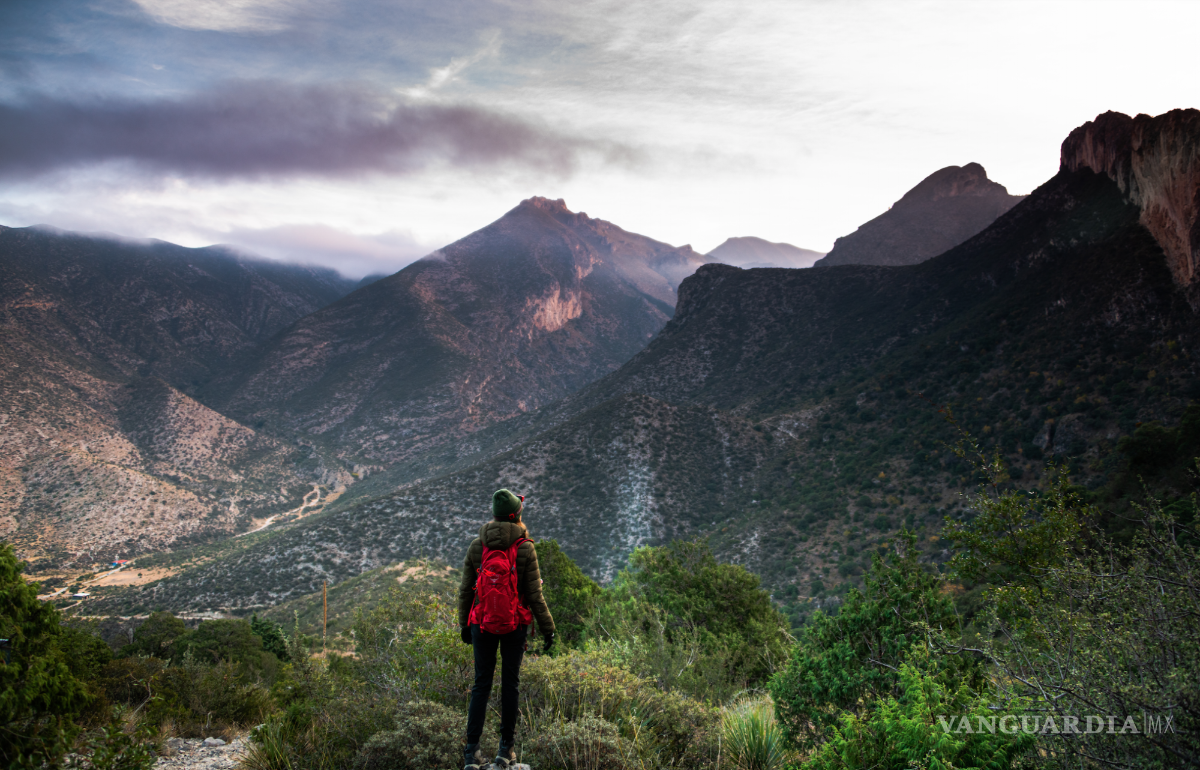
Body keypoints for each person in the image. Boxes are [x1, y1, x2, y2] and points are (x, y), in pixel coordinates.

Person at [459, 489, 555, 769]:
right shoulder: (525, 547)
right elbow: (535, 595)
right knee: (510, 685)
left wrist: (464, 624)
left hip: (482, 623)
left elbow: (465, 590)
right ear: (515, 516)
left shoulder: (477, 545)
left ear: (495, 515)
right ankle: (505, 751)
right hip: (515, 625)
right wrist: (548, 629)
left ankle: (472, 754)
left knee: (481, 685)